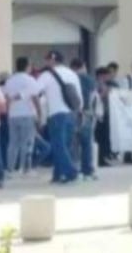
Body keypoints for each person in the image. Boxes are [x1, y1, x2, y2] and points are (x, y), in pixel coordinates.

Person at [36, 50, 80, 184]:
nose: (46, 62)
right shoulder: (72, 73)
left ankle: (70, 171)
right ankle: (58, 174)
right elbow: (78, 95)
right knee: (65, 145)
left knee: (58, 145)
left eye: (47, 60)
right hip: (71, 113)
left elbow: (35, 90)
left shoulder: (47, 75)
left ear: (53, 60)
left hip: (56, 113)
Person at [3, 57, 41, 175]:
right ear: (27, 66)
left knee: (13, 143)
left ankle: (10, 168)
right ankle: (25, 168)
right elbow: (35, 98)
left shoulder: (9, 81)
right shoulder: (30, 80)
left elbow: (6, 98)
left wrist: (8, 113)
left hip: (13, 115)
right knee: (27, 142)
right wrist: (39, 114)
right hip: (27, 114)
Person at [70, 58, 97, 179]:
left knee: (73, 143)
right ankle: (87, 170)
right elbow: (93, 96)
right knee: (86, 143)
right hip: (86, 112)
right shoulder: (88, 79)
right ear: (83, 66)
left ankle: (74, 169)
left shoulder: (69, 78)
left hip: (72, 113)